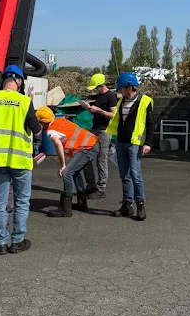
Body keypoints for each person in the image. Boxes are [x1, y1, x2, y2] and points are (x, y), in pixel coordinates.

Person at [0, 65, 41, 254]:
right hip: (20, 161)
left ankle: (0, 243)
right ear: (19, 82)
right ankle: (17, 241)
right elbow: (37, 130)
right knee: (21, 201)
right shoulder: (24, 102)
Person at [35, 107, 100, 218]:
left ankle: (66, 209)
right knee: (74, 173)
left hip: (87, 148)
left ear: (42, 122)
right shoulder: (61, 120)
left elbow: (58, 144)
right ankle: (82, 203)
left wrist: (62, 165)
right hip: (91, 144)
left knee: (66, 173)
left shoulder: (51, 131)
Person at [106, 72, 153, 221]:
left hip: (134, 144)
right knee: (124, 175)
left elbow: (150, 124)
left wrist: (148, 143)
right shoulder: (122, 101)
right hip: (121, 142)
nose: (120, 92)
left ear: (129, 87)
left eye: (121, 89)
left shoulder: (145, 101)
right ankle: (127, 204)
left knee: (135, 174)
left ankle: (140, 205)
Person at [82, 72, 117, 198]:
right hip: (95, 129)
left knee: (101, 159)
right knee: (85, 156)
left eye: (96, 88)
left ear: (101, 85)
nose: (95, 90)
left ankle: (101, 189)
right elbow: (98, 113)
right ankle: (91, 185)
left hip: (104, 131)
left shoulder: (111, 96)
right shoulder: (99, 97)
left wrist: (99, 110)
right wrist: (90, 109)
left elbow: (114, 115)